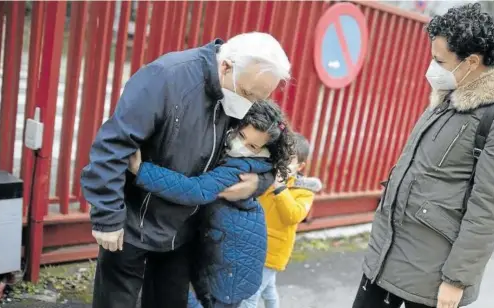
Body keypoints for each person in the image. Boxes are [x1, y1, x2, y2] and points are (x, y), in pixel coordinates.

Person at [80, 32, 291, 308]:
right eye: (249, 95)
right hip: (133, 227)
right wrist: (107, 216)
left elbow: (266, 153)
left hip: (184, 232)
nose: (250, 104)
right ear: (226, 66)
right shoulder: (166, 77)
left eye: (258, 98)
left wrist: (258, 183)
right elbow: (112, 146)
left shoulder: (243, 89)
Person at [354, 3, 494, 308]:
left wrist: (457, 280)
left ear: (471, 62)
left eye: (439, 60)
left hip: (432, 276)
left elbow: (490, 206)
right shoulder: (449, 97)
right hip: (385, 257)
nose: (433, 67)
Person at [126, 100, 294, 308]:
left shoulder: (239, 167)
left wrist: (141, 170)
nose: (239, 145)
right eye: (241, 135)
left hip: (231, 261)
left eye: (251, 146)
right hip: (229, 248)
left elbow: (197, 190)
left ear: (264, 150)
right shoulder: (248, 159)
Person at [240, 134, 323, 308]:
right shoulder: (266, 179)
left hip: (272, 252)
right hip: (253, 244)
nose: (282, 164)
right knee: (268, 290)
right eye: (280, 157)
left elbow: (293, 215)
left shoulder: (304, 192)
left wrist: (280, 189)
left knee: (249, 295)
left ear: (300, 166)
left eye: (288, 160)